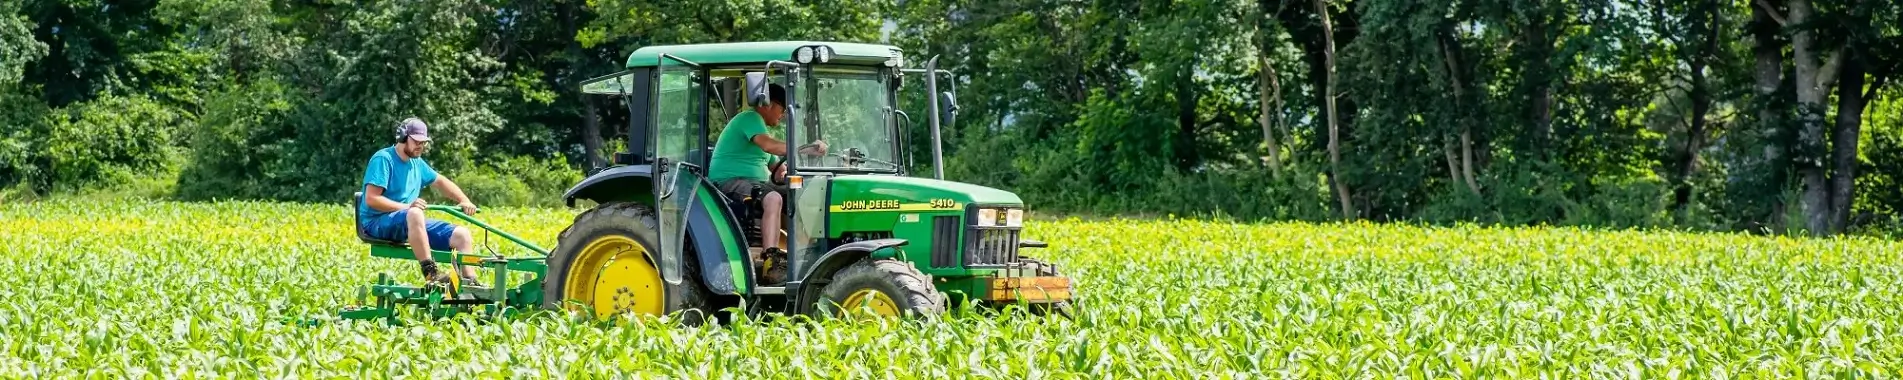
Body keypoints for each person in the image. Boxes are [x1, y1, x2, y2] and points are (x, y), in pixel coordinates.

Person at [707, 83, 825, 284]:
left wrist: (786, 174)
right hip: (729, 181)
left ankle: (804, 254)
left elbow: (776, 169)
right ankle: (771, 261)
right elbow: (769, 146)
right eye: (782, 109)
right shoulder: (750, 118)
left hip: (754, 183)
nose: (783, 115)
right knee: (772, 198)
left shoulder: (760, 132)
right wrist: (803, 148)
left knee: (799, 195)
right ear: (768, 104)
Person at [357, 117, 483, 285]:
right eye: (416, 141)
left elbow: (440, 182)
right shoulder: (384, 159)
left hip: (407, 219)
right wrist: (408, 207)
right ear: (402, 137)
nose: (421, 146)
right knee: (416, 213)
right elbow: (372, 199)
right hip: (376, 222)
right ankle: (431, 274)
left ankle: (470, 282)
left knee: (462, 235)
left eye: (423, 142)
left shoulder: (417, 163)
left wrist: (463, 200)